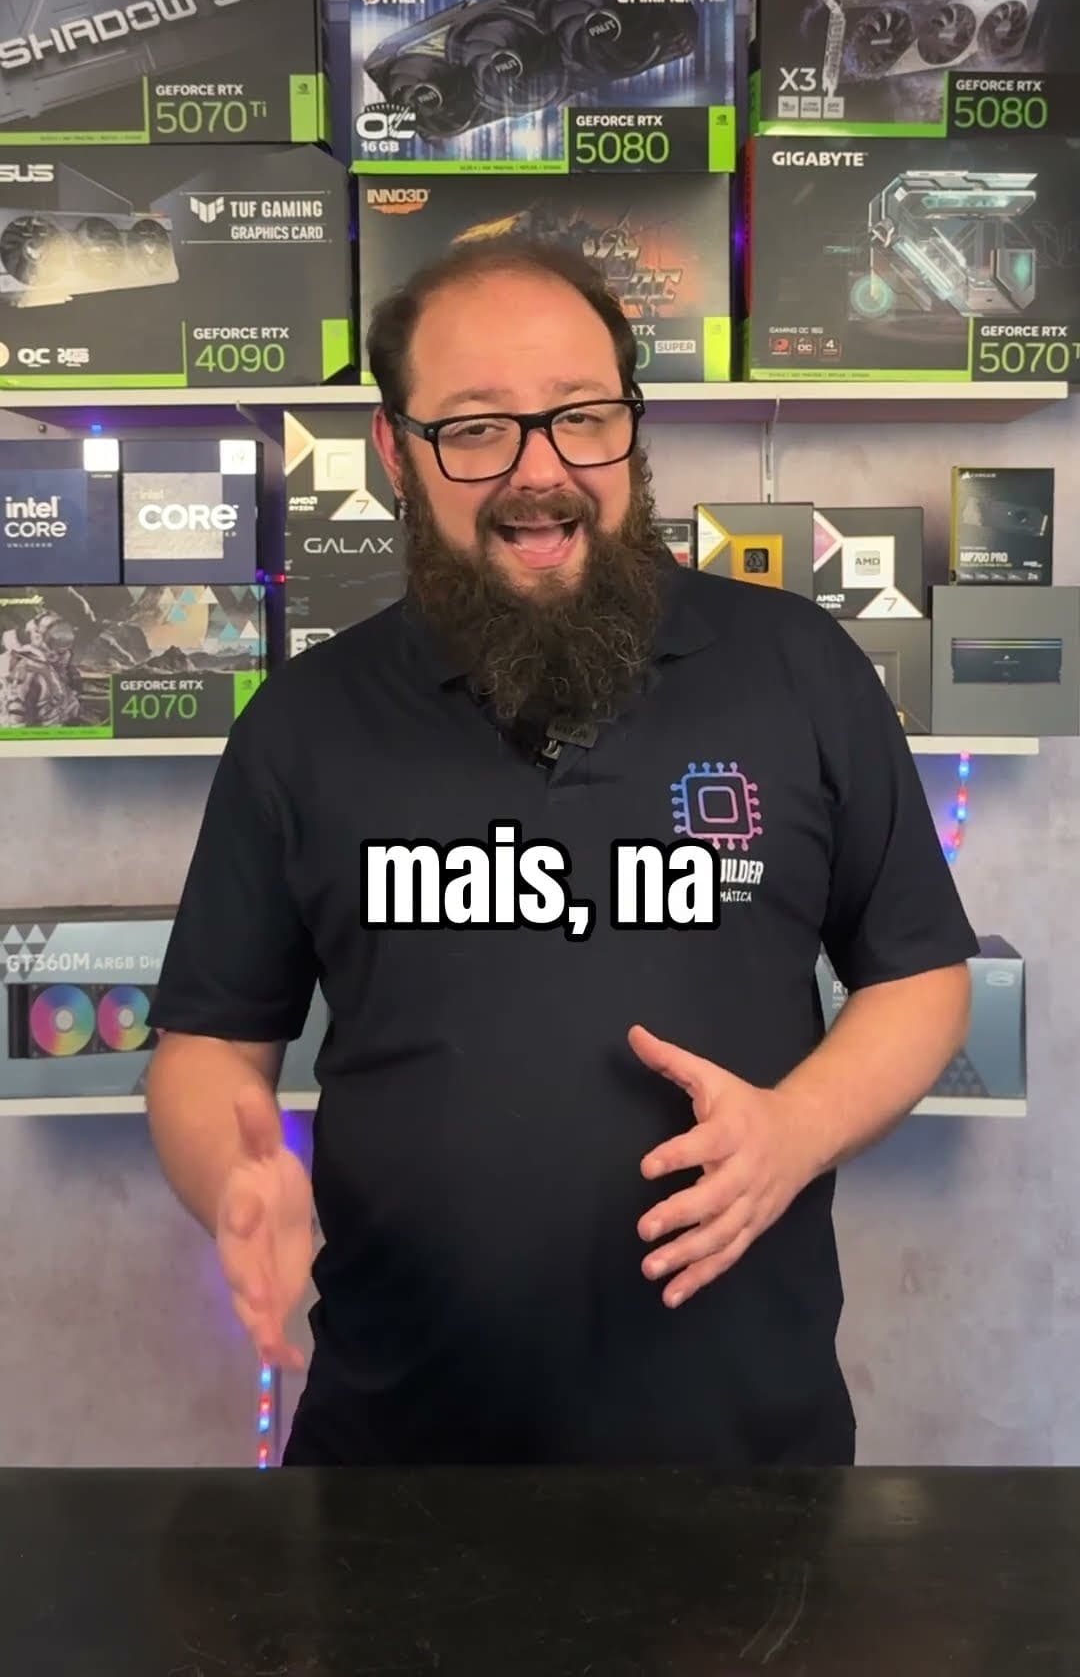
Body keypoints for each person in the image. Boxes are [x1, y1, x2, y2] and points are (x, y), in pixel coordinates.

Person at [146, 238, 977, 1468]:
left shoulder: (801, 671)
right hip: (396, 1452)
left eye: (582, 417)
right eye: (477, 430)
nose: (542, 473)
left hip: (745, 1458)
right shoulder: (303, 724)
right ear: (395, 450)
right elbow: (210, 1043)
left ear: (632, 427)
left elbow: (920, 974)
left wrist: (798, 1127)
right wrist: (235, 1182)